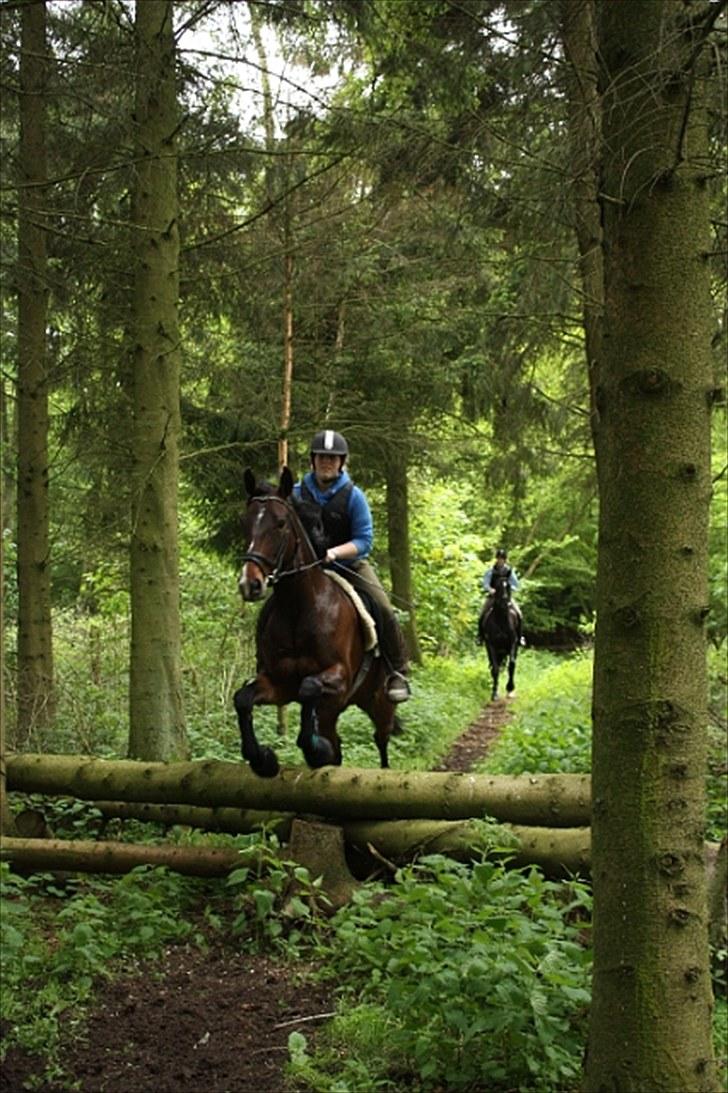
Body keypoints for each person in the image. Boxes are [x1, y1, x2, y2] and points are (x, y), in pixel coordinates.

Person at [294, 429, 411, 703]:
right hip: (307, 571)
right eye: (322, 457)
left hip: (348, 566)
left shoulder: (354, 496)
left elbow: (364, 540)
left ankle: (398, 670)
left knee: (382, 606)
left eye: (333, 459)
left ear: (341, 462)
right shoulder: (298, 494)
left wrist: (334, 553)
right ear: (313, 460)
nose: (327, 463)